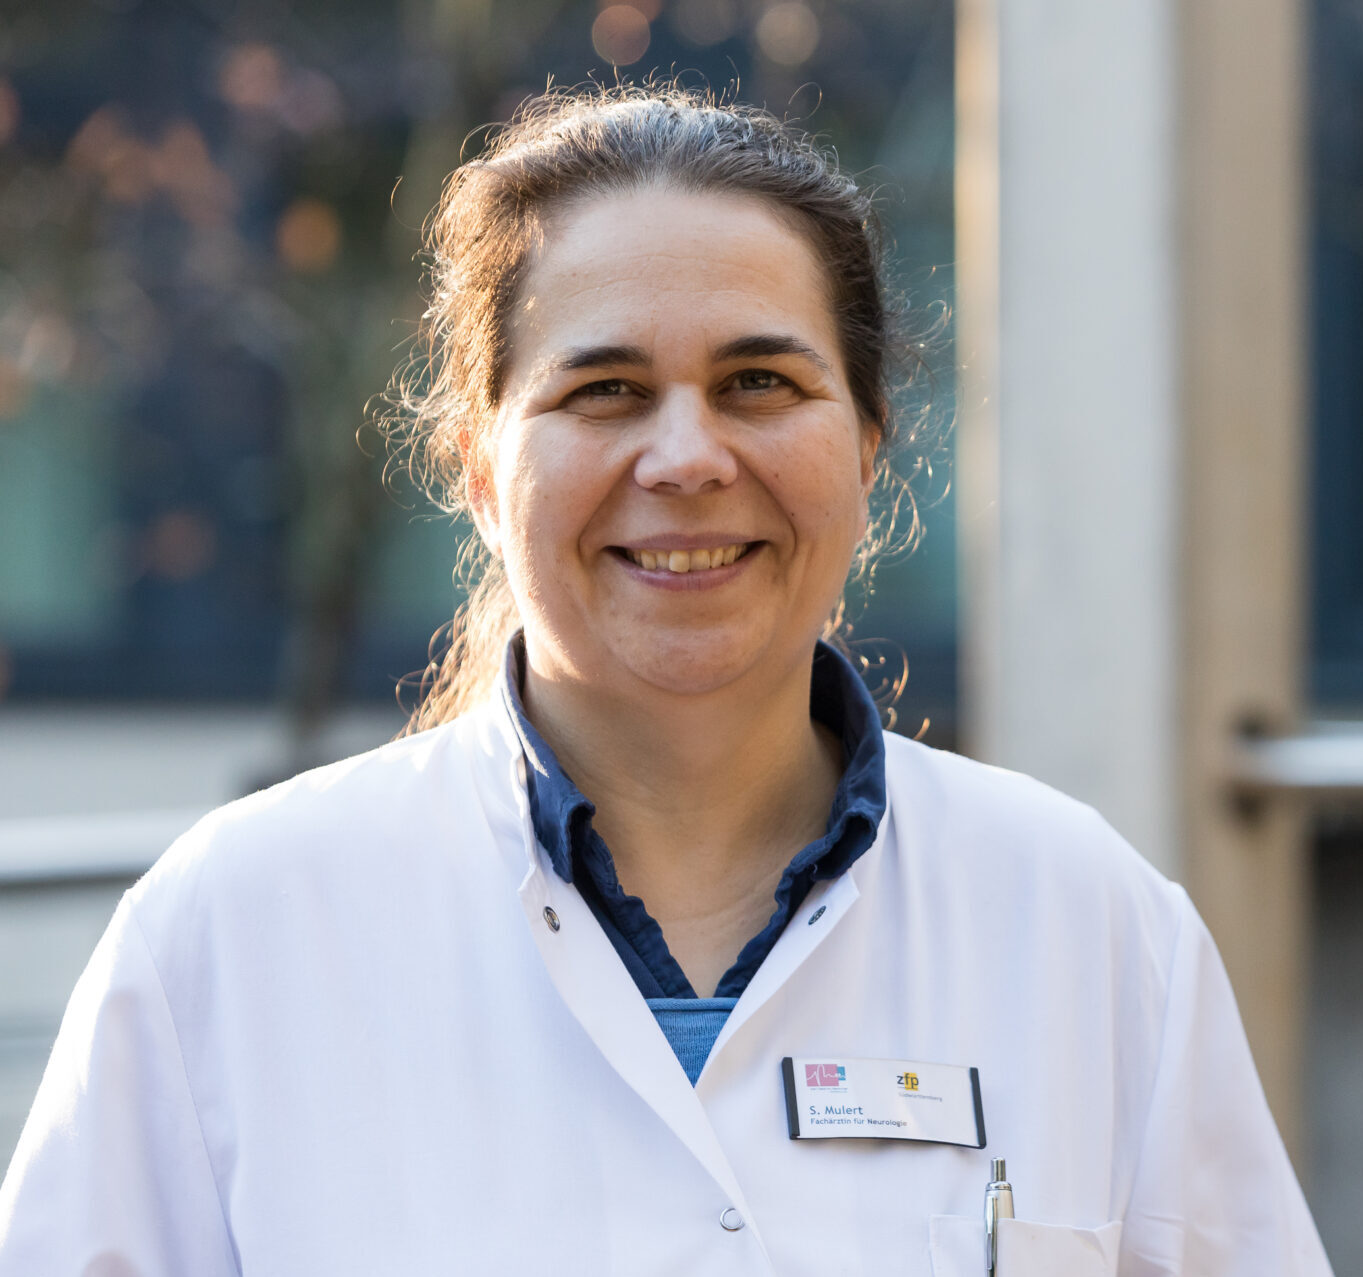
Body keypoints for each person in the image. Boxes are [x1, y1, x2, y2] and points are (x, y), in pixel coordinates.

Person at [0, 85, 1334, 1276]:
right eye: (604, 390)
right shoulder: (226, 937)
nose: (688, 455)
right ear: (475, 463)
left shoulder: (1092, 927)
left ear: (867, 445)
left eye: (760, 381)